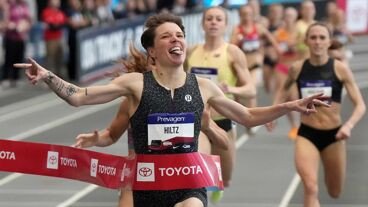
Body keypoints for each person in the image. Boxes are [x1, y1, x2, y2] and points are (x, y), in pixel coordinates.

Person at [15, 12, 329, 207]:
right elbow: (80, 96)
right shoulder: (136, 84)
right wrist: (48, 77)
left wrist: (293, 104)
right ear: (152, 51)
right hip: (145, 187)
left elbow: (247, 116)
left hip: (187, 182)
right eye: (167, 36)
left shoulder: (203, 87)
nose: (176, 39)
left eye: (180, 35)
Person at [74, 45, 229, 207]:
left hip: (178, 173)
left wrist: (207, 129)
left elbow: (223, 140)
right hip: (140, 173)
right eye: (153, 65)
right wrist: (97, 138)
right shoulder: (131, 102)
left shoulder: (184, 101)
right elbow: (111, 135)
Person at [274, 22, 366, 207]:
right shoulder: (297, 68)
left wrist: (348, 126)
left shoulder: (339, 69)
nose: (317, 42)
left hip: (334, 135)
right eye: (313, 37)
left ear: (329, 41)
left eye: (322, 37)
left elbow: (360, 105)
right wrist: (273, 114)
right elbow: (282, 92)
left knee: (334, 191)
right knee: (310, 187)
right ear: (306, 41)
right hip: (307, 134)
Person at [186, 6, 255, 203]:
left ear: (226, 25)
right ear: (202, 24)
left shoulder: (232, 52)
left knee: (226, 178)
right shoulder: (191, 52)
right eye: (209, 19)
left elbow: (250, 89)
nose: (213, 22)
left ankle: (218, 184)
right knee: (196, 171)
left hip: (223, 121)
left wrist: (232, 90)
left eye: (218, 19)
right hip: (197, 122)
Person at [230, 4, 280, 110]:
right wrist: (239, 40)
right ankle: (241, 112)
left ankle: (251, 118)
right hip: (242, 65)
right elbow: (231, 46)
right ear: (240, 15)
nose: (246, 17)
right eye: (244, 14)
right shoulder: (237, 29)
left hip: (255, 63)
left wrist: (278, 52)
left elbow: (272, 40)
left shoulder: (257, 27)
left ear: (253, 15)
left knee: (251, 88)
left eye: (249, 14)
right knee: (239, 93)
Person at [273, 7, 299, 140]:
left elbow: (303, 48)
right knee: (283, 94)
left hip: (295, 67)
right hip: (282, 66)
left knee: (294, 97)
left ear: (295, 17)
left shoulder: (299, 32)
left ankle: (299, 125)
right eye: (287, 15)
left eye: (291, 15)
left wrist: (294, 46)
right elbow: (277, 51)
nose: (288, 18)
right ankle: (293, 126)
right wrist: (285, 47)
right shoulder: (279, 33)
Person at [41, 0, 67, 78]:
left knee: (59, 57)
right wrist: (56, 25)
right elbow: (52, 26)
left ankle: (58, 76)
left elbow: (63, 23)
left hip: (59, 38)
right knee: (50, 59)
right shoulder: (46, 12)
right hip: (50, 39)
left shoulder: (60, 12)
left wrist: (57, 25)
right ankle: (47, 77)